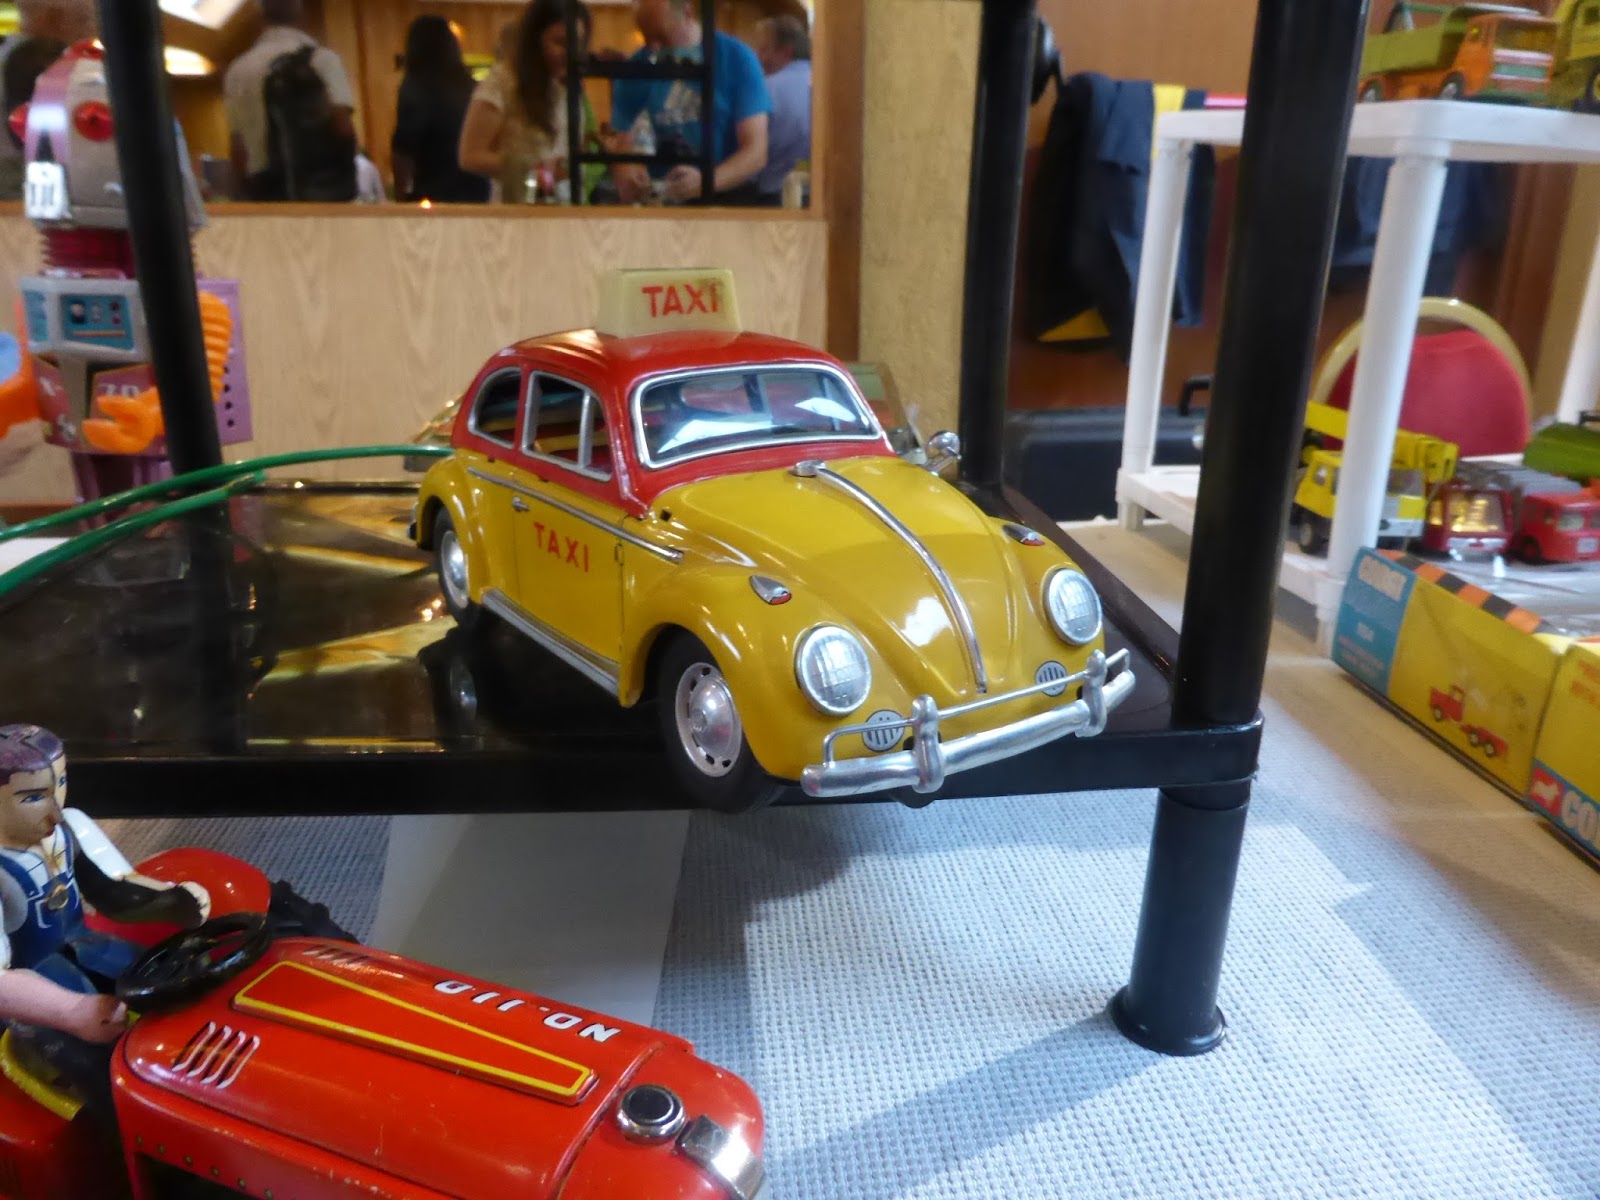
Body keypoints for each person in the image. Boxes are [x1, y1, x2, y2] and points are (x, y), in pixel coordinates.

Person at [0, 724, 209, 1124]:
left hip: (89, 947)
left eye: (61, 783)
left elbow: (112, 888)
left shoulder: (67, 828)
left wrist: (168, 902)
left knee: (186, 981)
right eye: (33, 797)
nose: (56, 810)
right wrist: (71, 1010)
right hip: (30, 999)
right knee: (111, 1076)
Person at [611, 0, 770, 207]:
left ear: (688, 11)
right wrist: (627, 171)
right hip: (662, 202)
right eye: (647, 38)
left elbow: (756, 152)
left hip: (726, 200)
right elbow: (622, 143)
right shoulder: (635, 68)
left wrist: (706, 181)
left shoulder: (736, 59)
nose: (654, 48)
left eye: (663, 37)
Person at [458, 0, 601, 205]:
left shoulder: (568, 86)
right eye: (560, 42)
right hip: (517, 211)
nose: (570, 53)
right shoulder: (504, 82)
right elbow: (470, 156)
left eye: (577, 44)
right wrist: (533, 168)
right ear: (535, 41)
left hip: (564, 209)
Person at [224, 0, 357, 201]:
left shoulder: (238, 70)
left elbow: (238, 149)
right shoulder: (323, 60)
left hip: (264, 192)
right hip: (321, 187)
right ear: (300, 10)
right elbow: (343, 127)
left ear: (259, 14)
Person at [0, 0, 94, 200]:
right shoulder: (51, 64)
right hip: (25, 192)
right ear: (54, 18)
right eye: (84, 21)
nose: (91, 32)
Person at [391, 15, 488, 205]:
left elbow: (404, 146)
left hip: (434, 191)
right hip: (476, 188)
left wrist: (400, 193)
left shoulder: (415, 86)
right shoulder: (470, 86)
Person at [751, 15, 810, 206]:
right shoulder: (830, 85)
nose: (757, 57)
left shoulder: (766, 89)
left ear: (786, 52)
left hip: (774, 199)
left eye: (763, 50)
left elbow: (749, 158)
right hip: (821, 197)